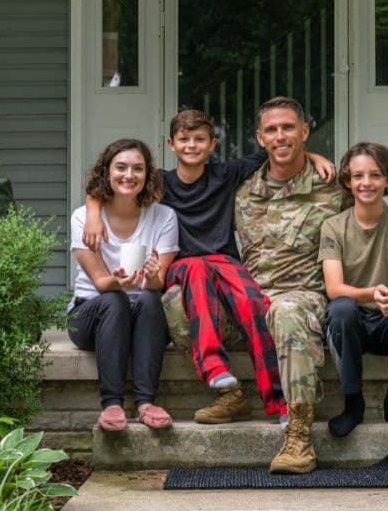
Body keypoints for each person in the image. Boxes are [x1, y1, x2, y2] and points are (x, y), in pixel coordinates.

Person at [82, 110, 335, 426]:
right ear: (171, 144)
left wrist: (314, 156)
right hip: (182, 267)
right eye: (184, 139)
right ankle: (214, 367)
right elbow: (111, 183)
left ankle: (279, 401)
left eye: (199, 139)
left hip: (225, 262)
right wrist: (93, 212)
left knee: (254, 302)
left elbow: (277, 151)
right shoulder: (160, 182)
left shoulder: (225, 174)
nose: (191, 145)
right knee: (197, 270)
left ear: (213, 144)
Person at [235, 96, 344, 474]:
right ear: (259, 137)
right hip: (248, 300)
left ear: (304, 132)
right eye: (271, 130)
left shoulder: (333, 187)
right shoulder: (242, 188)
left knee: (286, 310)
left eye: (288, 128)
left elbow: (377, 194)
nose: (280, 136)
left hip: (302, 296)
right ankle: (228, 393)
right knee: (173, 302)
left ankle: (299, 434)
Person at [318, 142, 388, 438]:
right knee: (340, 308)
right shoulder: (333, 227)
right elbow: (334, 288)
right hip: (351, 324)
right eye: (357, 176)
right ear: (347, 181)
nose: (366, 183)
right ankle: (352, 402)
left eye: (375, 175)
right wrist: (372, 294)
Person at [67, 138, 179, 432]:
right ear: (106, 172)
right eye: (121, 167)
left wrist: (153, 275)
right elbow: (102, 283)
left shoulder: (164, 217)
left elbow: (157, 284)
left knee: (151, 299)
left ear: (147, 175)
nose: (129, 175)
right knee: (114, 300)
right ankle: (112, 403)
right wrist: (117, 281)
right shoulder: (83, 218)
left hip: (143, 315)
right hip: (90, 314)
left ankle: (145, 402)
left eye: (138, 169)